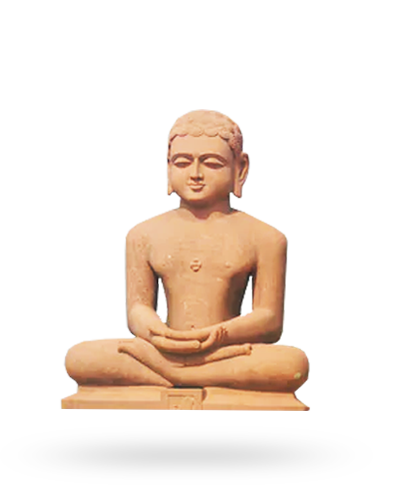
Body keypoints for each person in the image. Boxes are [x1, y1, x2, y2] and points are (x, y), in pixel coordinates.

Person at [66, 110, 309, 393]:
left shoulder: (266, 237)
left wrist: (220, 334)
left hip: (226, 351)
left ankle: (173, 377)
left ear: (240, 169)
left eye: (212, 163)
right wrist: (158, 333)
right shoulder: (142, 235)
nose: (195, 175)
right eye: (182, 163)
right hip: (163, 350)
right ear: (168, 167)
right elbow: (138, 308)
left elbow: (269, 319)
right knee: (80, 358)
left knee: (293, 364)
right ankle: (188, 374)